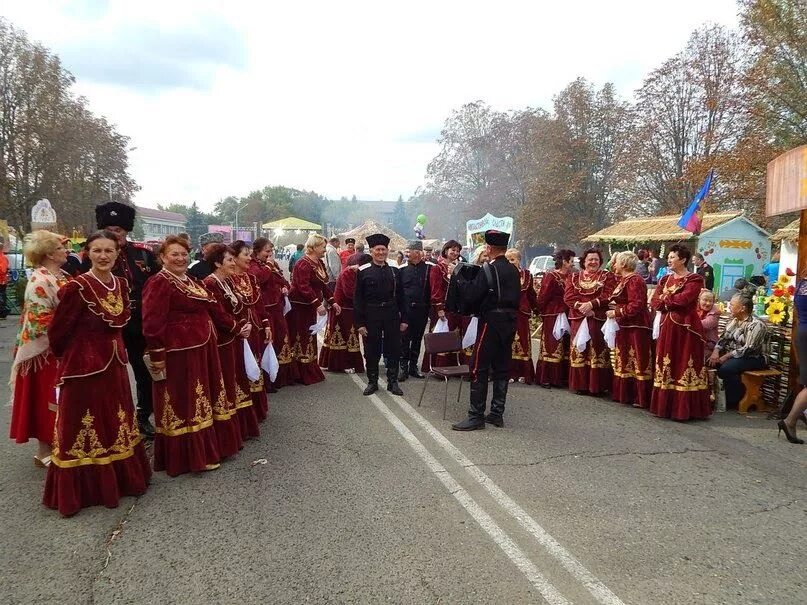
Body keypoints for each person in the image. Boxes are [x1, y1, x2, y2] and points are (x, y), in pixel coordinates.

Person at [44, 230, 151, 516]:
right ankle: (83, 489)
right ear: (87, 253)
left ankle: (120, 480)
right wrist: (72, 359)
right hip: (83, 367)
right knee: (82, 423)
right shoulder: (76, 288)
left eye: (109, 251)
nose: (103, 256)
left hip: (114, 363)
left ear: (117, 254)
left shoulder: (120, 283)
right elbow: (58, 333)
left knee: (115, 419)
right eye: (97, 251)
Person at [143, 235, 243, 476]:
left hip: (202, 348)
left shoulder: (189, 279)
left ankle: (212, 447)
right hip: (180, 353)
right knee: (186, 401)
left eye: (183, 254)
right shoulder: (159, 282)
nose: (179, 258)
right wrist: (157, 355)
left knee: (203, 398)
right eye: (173, 254)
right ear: (162, 257)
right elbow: (152, 321)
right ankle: (190, 457)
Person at [85, 202, 160, 438]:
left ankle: (142, 416)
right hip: (106, 324)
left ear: (126, 231)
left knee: (144, 370)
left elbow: (157, 287)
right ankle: (110, 419)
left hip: (140, 321)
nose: (114, 233)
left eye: (118, 229)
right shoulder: (94, 255)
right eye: (109, 228)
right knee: (108, 374)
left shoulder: (144, 254)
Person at [9, 231, 70, 467]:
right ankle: (44, 450)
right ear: (49, 254)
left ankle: (59, 444)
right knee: (47, 401)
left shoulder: (59, 275)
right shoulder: (40, 280)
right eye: (60, 248)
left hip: (59, 347)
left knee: (60, 400)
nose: (66, 251)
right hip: (45, 352)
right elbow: (40, 321)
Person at [452, 231, 520, 431]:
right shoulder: (514, 270)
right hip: (510, 321)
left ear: (489, 249)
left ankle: (476, 416)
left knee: (478, 367)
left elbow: (472, 295)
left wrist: (459, 279)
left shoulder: (488, 269)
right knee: (501, 366)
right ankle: (497, 413)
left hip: (491, 321)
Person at [204, 244, 261, 440]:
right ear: (218, 262)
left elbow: (237, 307)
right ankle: (226, 435)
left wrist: (244, 324)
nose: (232, 263)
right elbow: (218, 314)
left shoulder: (226, 281)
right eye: (229, 260)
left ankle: (240, 429)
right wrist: (238, 328)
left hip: (234, 338)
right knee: (227, 382)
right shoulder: (210, 283)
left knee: (237, 380)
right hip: (222, 341)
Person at [649, 243, 711, 420]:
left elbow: (685, 299)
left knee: (684, 362)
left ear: (683, 259)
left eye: (672, 257)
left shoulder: (694, 279)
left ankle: (685, 410)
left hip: (686, 328)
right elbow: (655, 302)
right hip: (667, 325)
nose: (669, 260)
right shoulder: (664, 279)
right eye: (668, 257)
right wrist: (666, 300)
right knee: (667, 362)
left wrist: (665, 300)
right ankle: (665, 407)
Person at [354, 234, 406, 396]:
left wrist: (404, 319)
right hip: (371, 313)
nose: (381, 253)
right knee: (371, 349)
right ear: (371, 251)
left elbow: (402, 296)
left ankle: (393, 382)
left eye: (383, 249)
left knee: (394, 348)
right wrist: (360, 324)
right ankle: (372, 382)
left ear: (387, 251)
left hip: (391, 313)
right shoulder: (363, 271)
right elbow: (358, 299)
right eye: (378, 250)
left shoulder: (394, 271)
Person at [286, 234, 340, 385]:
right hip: (299, 306)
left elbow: (323, 285)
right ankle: (299, 371)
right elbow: (303, 287)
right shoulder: (303, 263)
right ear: (314, 247)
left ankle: (309, 367)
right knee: (301, 336)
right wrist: (317, 304)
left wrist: (332, 301)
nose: (324, 250)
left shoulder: (319, 263)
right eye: (323, 247)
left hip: (309, 306)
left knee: (309, 335)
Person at [564, 248, 617, 396]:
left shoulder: (607, 276)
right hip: (579, 317)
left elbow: (609, 295)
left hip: (597, 317)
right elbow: (568, 297)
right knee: (580, 349)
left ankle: (597, 386)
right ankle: (580, 384)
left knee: (597, 349)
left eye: (596, 260)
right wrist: (581, 307)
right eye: (590, 259)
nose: (593, 262)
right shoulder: (574, 277)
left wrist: (592, 305)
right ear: (584, 261)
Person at [231, 240, 272, 421]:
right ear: (234, 257)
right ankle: (242, 412)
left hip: (254, 327)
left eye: (250, 254)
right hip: (237, 330)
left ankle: (256, 409)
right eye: (245, 255)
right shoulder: (227, 279)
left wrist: (266, 324)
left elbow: (259, 304)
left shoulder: (252, 278)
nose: (249, 258)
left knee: (255, 362)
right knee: (240, 367)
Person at [606, 252, 652, 408]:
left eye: (617, 262)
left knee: (637, 359)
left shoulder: (634, 280)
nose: (614, 265)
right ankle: (624, 394)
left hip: (636, 326)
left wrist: (616, 312)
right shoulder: (624, 279)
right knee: (624, 359)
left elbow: (636, 304)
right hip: (625, 325)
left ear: (623, 264)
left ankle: (639, 396)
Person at [708, 294, 768, 409]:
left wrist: (726, 356)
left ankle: (734, 400)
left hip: (754, 358)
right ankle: (725, 398)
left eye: (732, 305)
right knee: (712, 362)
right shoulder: (734, 320)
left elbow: (749, 348)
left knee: (726, 368)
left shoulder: (756, 324)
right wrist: (715, 352)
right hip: (735, 356)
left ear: (742, 308)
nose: (729, 307)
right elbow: (724, 338)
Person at [248, 238, 292, 389]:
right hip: (264, 309)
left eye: (271, 251)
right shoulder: (253, 265)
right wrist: (268, 265)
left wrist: (285, 287)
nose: (270, 254)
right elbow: (259, 279)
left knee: (280, 339)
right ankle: (266, 380)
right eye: (266, 251)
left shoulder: (271, 264)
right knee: (267, 343)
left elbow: (282, 280)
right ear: (257, 251)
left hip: (277, 307)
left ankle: (277, 376)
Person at [320, 253, 366, 374]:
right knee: (344, 336)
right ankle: (344, 364)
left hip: (349, 309)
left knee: (347, 336)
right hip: (343, 310)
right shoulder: (348, 273)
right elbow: (349, 293)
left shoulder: (355, 272)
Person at [423, 239, 464, 372]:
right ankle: (437, 366)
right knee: (440, 334)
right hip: (441, 308)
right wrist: (439, 308)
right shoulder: (438, 268)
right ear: (446, 250)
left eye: (457, 251)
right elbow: (435, 290)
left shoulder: (459, 267)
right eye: (453, 250)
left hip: (455, 308)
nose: (455, 253)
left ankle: (452, 365)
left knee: (453, 335)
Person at [535, 249, 574, 388]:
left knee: (565, 344)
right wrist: (539, 309)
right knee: (552, 344)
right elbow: (543, 295)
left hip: (568, 313)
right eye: (571, 261)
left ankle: (562, 377)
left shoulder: (572, 276)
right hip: (553, 314)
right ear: (564, 261)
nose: (572, 264)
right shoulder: (551, 275)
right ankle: (547, 377)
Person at [398, 241, 433, 382]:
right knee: (404, 339)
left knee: (418, 339)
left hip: (422, 310)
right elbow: (398, 292)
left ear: (418, 253)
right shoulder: (401, 270)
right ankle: (403, 368)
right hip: (406, 311)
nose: (406, 254)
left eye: (409, 251)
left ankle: (413, 367)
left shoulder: (430, 269)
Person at [778, 274, 807, 444]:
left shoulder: (802, 284)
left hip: (802, 332)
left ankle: (794, 418)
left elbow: (797, 312)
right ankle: (791, 419)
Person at [505, 248, 538, 384]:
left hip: (522, 313)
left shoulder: (527, 275)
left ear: (519, 260)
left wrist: (537, 309)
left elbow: (531, 294)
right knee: (509, 342)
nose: (510, 262)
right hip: (507, 313)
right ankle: (510, 373)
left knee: (523, 342)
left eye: (513, 259)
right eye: (507, 260)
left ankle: (524, 373)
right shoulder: (503, 274)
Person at [697, 290, 720, 359]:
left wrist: (689, 322)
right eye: (705, 300)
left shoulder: (715, 312)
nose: (708, 303)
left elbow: (707, 324)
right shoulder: (694, 309)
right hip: (695, 342)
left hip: (708, 346)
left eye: (711, 301)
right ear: (699, 300)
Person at [0, 241, 8, 319]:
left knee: (1, 296)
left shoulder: (2, 258)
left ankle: (2, 313)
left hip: (1, 280)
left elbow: (2, 270)